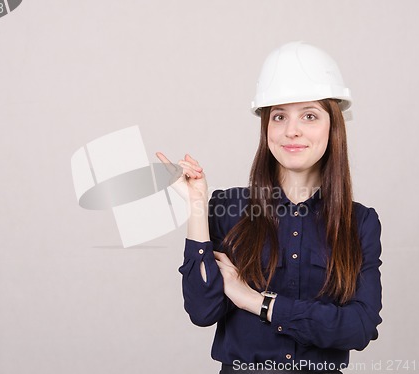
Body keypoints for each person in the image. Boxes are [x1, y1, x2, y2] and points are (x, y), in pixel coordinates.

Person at [156, 41, 382, 374]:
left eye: (309, 115)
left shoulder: (359, 222)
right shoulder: (228, 208)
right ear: (266, 128)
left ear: (333, 126)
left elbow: (359, 327)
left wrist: (254, 300)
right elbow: (202, 311)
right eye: (279, 116)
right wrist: (196, 207)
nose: (292, 130)